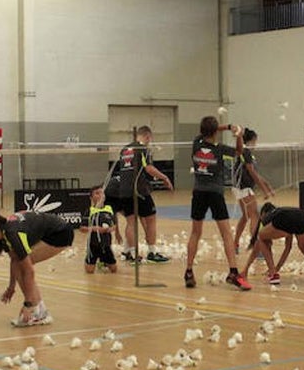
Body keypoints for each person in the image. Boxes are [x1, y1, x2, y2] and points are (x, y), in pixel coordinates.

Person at [0, 209, 74, 326]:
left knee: (24, 266)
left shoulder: (12, 234)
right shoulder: (5, 233)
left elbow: (29, 270)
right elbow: (14, 260)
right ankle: (39, 310)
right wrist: (11, 287)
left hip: (60, 233)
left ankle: (38, 312)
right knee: (20, 263)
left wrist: (28, 303)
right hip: (50, 232)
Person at [184, 116, 250, 290]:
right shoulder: (220, 149)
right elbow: (239, 151)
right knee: (227, 234)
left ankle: (189, 271)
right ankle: (233, 272)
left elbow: (208, 129)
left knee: (195, 233)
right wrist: (237, 133)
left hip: (198, 192)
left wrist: (225, 126)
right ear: (215, 132)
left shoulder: (196, 143)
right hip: (215, 194)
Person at [104, 125, 173, 263]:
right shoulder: (143, 149)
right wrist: (165, 178)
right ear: (147, 136)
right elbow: (148, 168)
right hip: (139, 190)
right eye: (150, 139)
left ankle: (131, 254)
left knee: (131, 222)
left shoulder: (125, 150)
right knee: (151, 219)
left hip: (123, 190)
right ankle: (152, 252)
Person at [241, 202, 304, 285]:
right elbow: (288, 248)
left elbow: (256, 248)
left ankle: (273, 275)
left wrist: (246, 269)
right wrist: (277, 268)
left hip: (284, 219)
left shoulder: (268, 219)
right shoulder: (282, 211)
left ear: (263, 214)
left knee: (261, 237)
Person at [232, 129, 275, 253]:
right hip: (243, 187)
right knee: (254, 215)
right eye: (255, 141)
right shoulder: (245, 151)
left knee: (246, 216)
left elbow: (255, 173)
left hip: (240, 188)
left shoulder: (248, 153)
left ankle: (235, 243)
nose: (256, 144)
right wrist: (264, 190)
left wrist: (267, 186)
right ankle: (257, 246)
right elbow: (251, 172)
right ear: (250, 140)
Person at [81, 185, 118, 274]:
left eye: (102, 193)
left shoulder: (109, 209)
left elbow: (114, 225)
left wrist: (111, 229)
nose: (100, 195)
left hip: (106, 244)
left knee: (114, 269)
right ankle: (95, 261)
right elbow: (82, 228)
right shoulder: (89, 211)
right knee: (89, 271)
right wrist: (95, 229)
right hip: (93, 245)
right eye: (97, 193)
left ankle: (103, 260)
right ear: (91, 197)